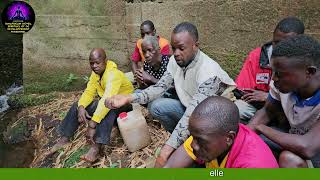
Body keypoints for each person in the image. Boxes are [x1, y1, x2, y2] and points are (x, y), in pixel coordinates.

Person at [105, 22, 237, 167]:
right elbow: (159, 87)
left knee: (180, 148)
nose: (176, 53)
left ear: (195, 45)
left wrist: (166, 150)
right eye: (174, 48)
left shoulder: (209, 73)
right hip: (192, 110)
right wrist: (129, 97)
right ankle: (184, 143)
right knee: (157, 106)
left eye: (181, 48)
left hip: (213, 120)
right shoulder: (175, 61)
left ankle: (192, 148)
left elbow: (192, 114)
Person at [48, 48, 134, 162]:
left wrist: (92, 124)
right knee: (76, 105)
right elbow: (89, 92)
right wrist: (81, 107)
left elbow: (107, 98)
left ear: (105, 61)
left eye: (97, 63)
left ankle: (96, 148)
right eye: (91, 63)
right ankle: (64, 139)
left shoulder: (113, 74)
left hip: (125, 105)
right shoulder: (96, 74)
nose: (94, 66)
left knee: (109, 108)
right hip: (108, 102)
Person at [248, 35, 320, 168]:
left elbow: (307, 147)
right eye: (273, 72)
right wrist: (244, 135)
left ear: (309, 72)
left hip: (314, 150)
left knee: (289, 159)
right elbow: (267, 112)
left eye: (279, 74)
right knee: (250, 143)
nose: (274, 78)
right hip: (295, 139)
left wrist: (260, 128)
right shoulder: (284, 84)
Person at [164, 96, 279, 168]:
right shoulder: (209, 135)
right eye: (192, 136)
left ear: (229, 138)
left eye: (199, 140)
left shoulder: (254, 165)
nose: (193, 144)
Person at [234, 17, 305, 120]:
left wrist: (268, 96)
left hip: (290, 108)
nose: (279, 48)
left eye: (286, 44)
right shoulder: (258, 56)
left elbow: (301, 99)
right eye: (276, 42)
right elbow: (243, 89)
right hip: (261, 107)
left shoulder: (305, 62)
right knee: (238, 108)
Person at [131, 20, 170, 87]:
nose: (146, 55)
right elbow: (134, 61)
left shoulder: (164, 44)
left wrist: (151, 79)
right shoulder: (140, 43)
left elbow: (160, 63)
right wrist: (138, 76)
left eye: (147, 33)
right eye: (142, 34)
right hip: (147, 72)